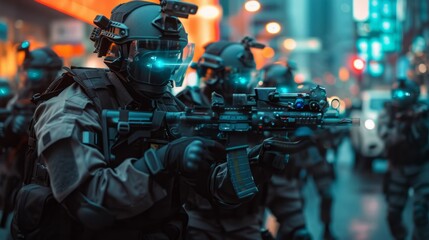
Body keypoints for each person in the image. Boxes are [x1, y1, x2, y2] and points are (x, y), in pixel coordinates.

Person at [11, 2, 278, 240]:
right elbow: (90, 204)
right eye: (154, 53)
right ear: (121, 51)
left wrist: (256, 161)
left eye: (172, 54)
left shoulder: (169, 105)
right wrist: (161, 161)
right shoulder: (74, 103)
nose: (166, 64)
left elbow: (217, 193)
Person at [177, 42, 311, 240]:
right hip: (197, 220)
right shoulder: (183, 108)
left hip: (246, 222)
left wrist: (295, 223)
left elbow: (276, 181)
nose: (243, 84)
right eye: (237, 76)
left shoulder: (256, 111)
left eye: (247, 77)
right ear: (213, 76)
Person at [0, 43, 63, 229]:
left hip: (48, 179)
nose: (31, 77)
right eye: (28, 72)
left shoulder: (62, 97)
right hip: (20, 174)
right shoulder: (21, 96)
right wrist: (12, 125)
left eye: (36, 72)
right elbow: (7, 141)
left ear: (51, 72)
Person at [378, 78, 429, 240]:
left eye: (405, 93)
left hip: (421, 167)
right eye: (397, 93)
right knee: (393, 214)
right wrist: (403, 124)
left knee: (421, 214)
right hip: (397, 167)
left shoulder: (423, 111)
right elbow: (386, 137)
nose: (400, 97)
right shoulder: (389, 113)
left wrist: (418, 121)